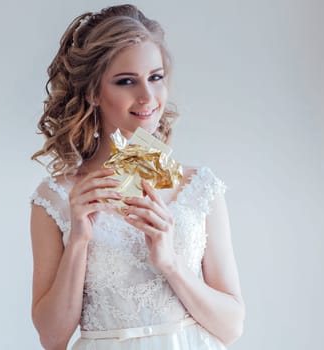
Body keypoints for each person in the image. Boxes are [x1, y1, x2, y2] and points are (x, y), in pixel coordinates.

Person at [29, 4, 245, 349]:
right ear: (93, 93)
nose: (147, 97)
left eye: (155, 77)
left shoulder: (199, 187)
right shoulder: (56, 197)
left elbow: (232, 327)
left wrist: (170, 261)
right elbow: (52, 338)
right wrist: (79, 240)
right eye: (126, 81)